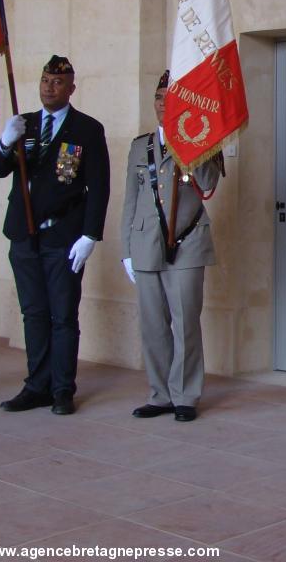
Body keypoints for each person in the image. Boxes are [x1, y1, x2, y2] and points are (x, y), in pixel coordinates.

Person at [0, 55, 110, 415]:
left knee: (62, 316)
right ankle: (36, 385)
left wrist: (90, 236)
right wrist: (4, 143)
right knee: (34, 314)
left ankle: (62, 389)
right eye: (45, 80)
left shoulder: (87, 129)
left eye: (58, 82)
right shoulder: (22, 124)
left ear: (71, 88)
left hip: (63, 237)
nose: (49, 87)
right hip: (24, 237)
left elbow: (99, 186)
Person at [120, 70, 221, 423]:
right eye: (159, 98)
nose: (164, 104)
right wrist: (127, 250)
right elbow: (130, 201)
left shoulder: (201, 140)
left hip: (189, 242)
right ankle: (159, 394)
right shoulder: (139, 145)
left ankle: (185, 395)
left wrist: (193, 146)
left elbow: (209, 185)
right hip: (146, 242)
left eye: (170, 98)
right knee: (153, 325)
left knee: (185, 321)